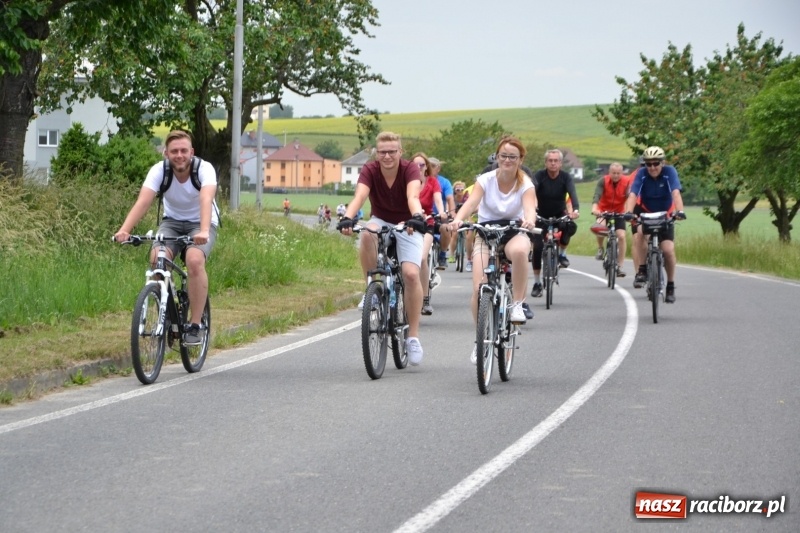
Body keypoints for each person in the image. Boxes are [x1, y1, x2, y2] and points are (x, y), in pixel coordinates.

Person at [114, 130, 219, 346]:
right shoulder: (159, 171)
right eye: (174, 151)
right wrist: (124, 230)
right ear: (166, 153)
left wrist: (204, 231)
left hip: (201, 223)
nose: (179, 155)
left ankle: (195, 325)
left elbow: (206, 198)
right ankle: (166, 308)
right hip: (171, 221)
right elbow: (143, 202)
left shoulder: (204, 169)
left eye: (183, 150)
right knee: (156, 259)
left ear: (191, 152)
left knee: (194, 261)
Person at [337, 131, 428, 366]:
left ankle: (413, 337)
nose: (387, 156)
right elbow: (360, 196)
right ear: (377, 153)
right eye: (382, 152)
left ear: (400, 152)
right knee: (367, 233)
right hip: (380, 218)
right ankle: (372, 288)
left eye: (392, 151)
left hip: (408, 223)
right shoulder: (370, 170)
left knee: (410, 274)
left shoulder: (410, 170)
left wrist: (417, 216)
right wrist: (348, 217)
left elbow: (413, 196)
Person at [449, 136, 537, 364]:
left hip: (513, 230)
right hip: (485, 233)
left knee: (519, 252)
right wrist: (459, 219)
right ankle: (481, 340)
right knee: (479, 288)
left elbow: (530, 208)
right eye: (503, 156)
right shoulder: (485, 180)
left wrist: (528, 221)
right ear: (497, 157)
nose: (507, 160)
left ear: (520, 159)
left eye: (512, 157)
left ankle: (517, 303)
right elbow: (471, 203)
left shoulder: (525, 183)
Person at [626, 146, 686, 303]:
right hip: (646, 212)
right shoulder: (642, 174)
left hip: (664, 214)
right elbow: (633, 194)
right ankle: (642, 269)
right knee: (639, 233)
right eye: (648, 164)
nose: (652, 167)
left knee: (668, 250)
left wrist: (679, 211)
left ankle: (671, 285)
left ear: (662, 163)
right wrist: (629, 211)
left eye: (656, 163)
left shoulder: (669, 172)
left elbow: (675, 193)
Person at [529, 149, 579, 298]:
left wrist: (575, 209)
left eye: (555, 160)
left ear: (560, 163)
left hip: (559, 213)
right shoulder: (539, 176)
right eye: (550, 160)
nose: (552, 163)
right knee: (537, 247)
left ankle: (562, 254)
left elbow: (572, 193)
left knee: (570, 226)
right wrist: (532, 208)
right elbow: (532, 192)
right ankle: (537, 283)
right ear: (546, 162)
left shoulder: (565, 177)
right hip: (540, 215)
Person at [411, 152, 447, 316]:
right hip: (408, 223)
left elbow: (438, 199)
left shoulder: (433, 182)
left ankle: (424, 299)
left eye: (422, 165)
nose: (418, 168)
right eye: (415, 165)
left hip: (427, 224)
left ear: (426, 167)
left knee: (422, 258)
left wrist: (441, 212)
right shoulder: (407, 182)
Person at [590, 162, 630, 277]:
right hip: (603, 211)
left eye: (618, 173)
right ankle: (600, 248)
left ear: (622, 173)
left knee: (621, 236)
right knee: (599, 226)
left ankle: (620, 266)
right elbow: (596, 196)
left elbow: (629, 198)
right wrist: (595, 209)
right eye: (613, 173)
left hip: (619, 212)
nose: (616, 175)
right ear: (609, 173)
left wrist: (628, 212)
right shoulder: (603, 181)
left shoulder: (626, 182)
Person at [429, 157, 456, 269]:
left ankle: (443, 254)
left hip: (440, 215)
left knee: (446, 228)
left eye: (433, 166)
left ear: (438, 168)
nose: (429, 169)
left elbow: (450, 199)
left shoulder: (444, 182)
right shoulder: (420, 180)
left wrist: (452, 214)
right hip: (424, 215)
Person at [448, 181, 474, 270]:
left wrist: (469, 219)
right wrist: (454, 218)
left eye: (461, 189)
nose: (460, 191)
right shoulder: (452, 198)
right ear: (454, 190)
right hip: (454, 216)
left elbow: (469, 208)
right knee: (454, 234)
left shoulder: (466, 197)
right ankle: (451, 254)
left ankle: (468, 257)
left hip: (465, 217)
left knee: (469, 234)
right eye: (457, 189)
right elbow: (449, 209)